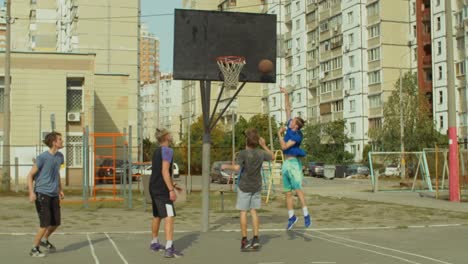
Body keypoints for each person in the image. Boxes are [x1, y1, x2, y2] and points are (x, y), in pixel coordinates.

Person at [221, 128, 273, 251]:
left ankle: (244, 239)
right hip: (256, 185)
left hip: (244, 186)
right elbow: (272, 157)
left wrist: (226, 166)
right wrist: (264, 145)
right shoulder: (261, 153)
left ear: (247, 141)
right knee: (253, 211)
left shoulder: (243, 154)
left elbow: (237, 168)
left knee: (243, 212)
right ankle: (255, 238)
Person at [278, 87, 311, 230]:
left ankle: (306, 215)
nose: (290, 122)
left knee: (298, 190)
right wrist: (286, 94)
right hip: (286, 163)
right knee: (287, 192)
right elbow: (287, 109)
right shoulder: (290, 127)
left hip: (293, 163)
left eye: (293, 122)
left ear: (296, 126)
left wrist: (279, 134)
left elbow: (284, 147)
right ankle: (292, 217)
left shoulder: (296, 136)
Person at [27, 131, 65, 257]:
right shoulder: (42, 157)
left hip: (54, 194)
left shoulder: (60, 157)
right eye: (60, 139)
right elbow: (30, 175)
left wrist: (60, 189)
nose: (62, 141)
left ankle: (44, 240)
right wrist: (31, 192)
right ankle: (34, 249)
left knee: (55, 223)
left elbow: (56, 173)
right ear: (54, 142)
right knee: (44, 224)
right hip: (42, 193)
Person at [149, 128, 183, 258]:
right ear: (166, 137)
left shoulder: (156, 152)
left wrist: (173, 184)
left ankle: (154, 242)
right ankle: (169, 248)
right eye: (170, 134)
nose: (172, 136)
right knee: (169, 216)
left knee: (157, 215)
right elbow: (164, 171)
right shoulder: (167, 151)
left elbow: (159, 172)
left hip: (153, 187)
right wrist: (170, 190)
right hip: (162, 190)